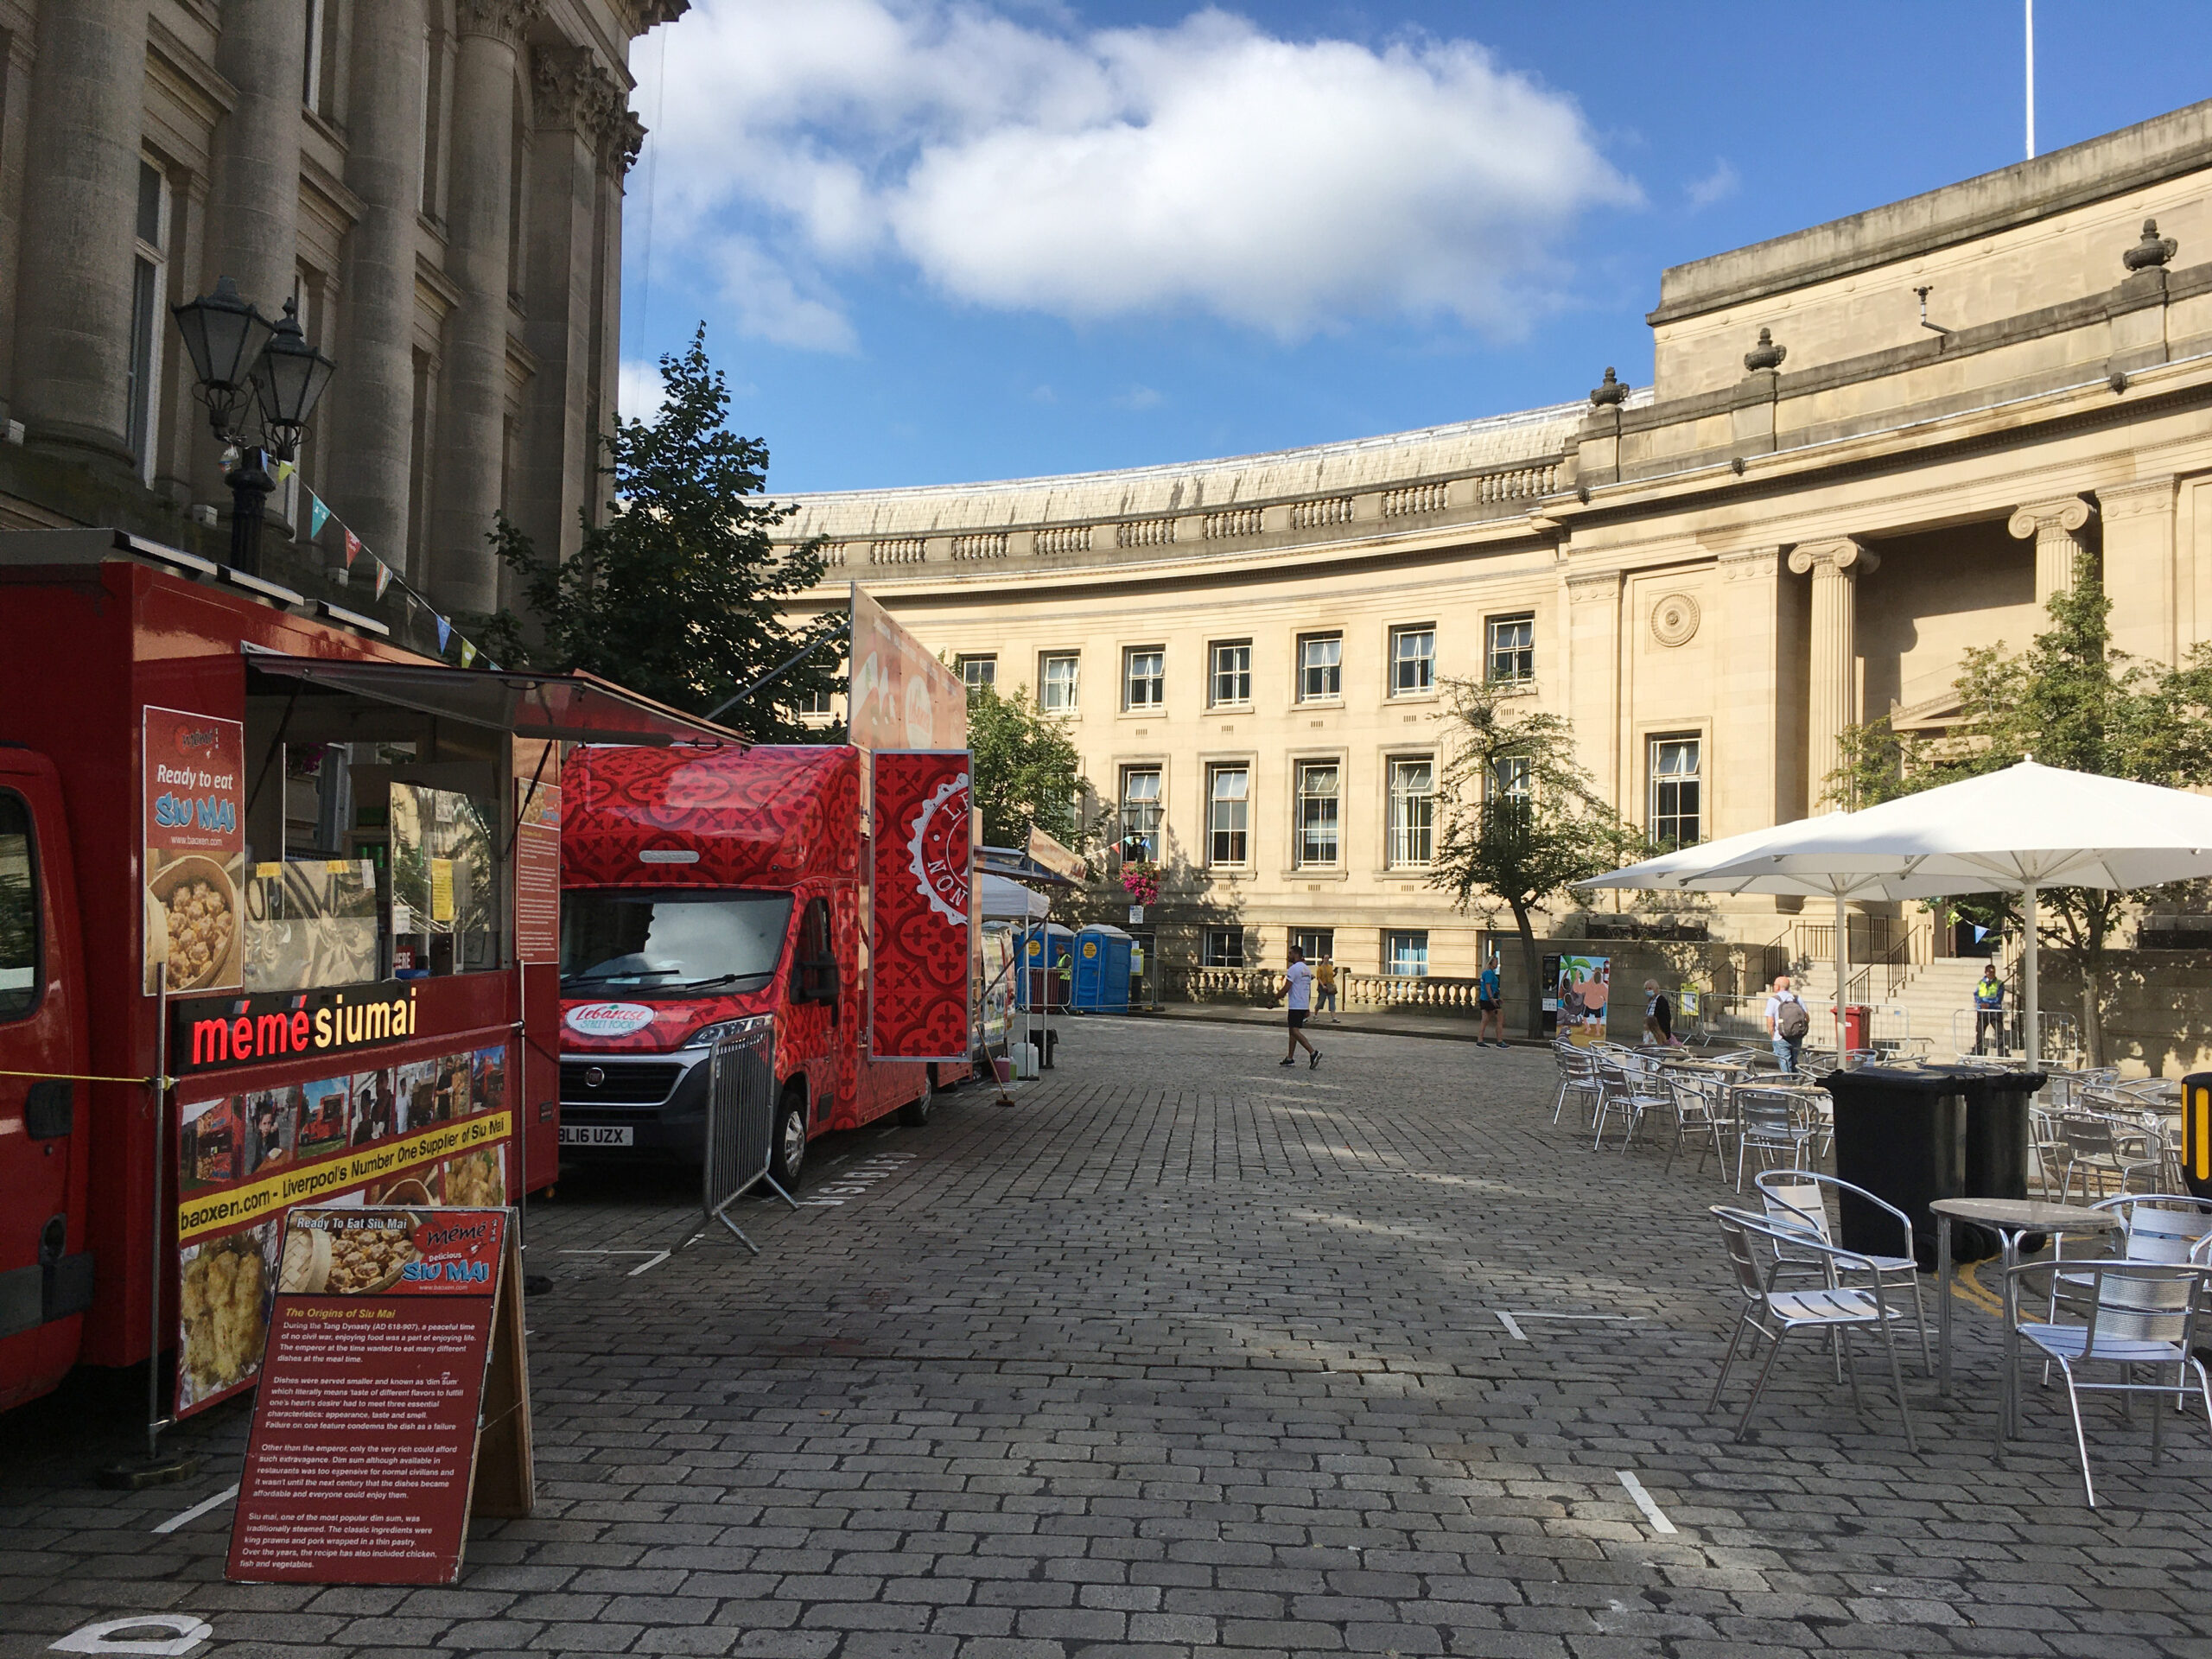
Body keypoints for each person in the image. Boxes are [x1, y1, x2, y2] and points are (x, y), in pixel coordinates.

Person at [1280, 946, 1322, 1069]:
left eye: (1290, 953)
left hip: (1295, 1004)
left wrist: (1274, 999)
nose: (1288, 955)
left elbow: (1286, 987)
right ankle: (1290, 1058)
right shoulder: (1306, 969)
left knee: (1294, 1031)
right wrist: (1307, 1007)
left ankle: (1313, 1053)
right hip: (1302, 1004)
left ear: (1296, 954)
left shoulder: (1293, 969)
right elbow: (1307, 989)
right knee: (1292, 1031)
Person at [1764, 974, 1809, 1072]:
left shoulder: (1773, 1000)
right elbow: (1806, 1017)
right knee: (1794, 1062)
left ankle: (1788, 1081)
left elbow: (1770, 1022)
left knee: (1785, 1064)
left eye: (1774, 985)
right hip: (1797, 1036)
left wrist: (1773, 1037)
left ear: (1778, 987)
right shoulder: (1797, 999)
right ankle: (1797, 1079)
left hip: (1781, 1037)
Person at [1973, 963, 2006, 1054]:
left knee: (1999, 1031)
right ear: (1985, 972)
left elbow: (1999, 997)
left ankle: (2001, 1051)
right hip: (1982, 1011)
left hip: (1994, 1011)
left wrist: (1989, 1004)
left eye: (1993, 972)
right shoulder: (1981, 983)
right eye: (1989, 972)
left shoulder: (1999, 983)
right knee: (1980, 1031)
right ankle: (1979, 1050)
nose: (1991, 974)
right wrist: (1981, 1003)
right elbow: (1976, 995)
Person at [1476, 956, 1505, 1046]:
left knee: (1485, 1020)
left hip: (1484, 998)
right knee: (1500, 1018)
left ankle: (1480, 1040)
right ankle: (1499, 1040)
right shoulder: (1489, 973)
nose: (1497, 964)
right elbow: (1488, 986)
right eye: (1496, 962)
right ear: (1491, 963)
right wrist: (1492, 998)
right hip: (1490, 999)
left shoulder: (1486, 972)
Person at [1643, 979, 1679, 1047]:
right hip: (1651, 1030)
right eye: (1646, 989)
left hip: (1658, 1032)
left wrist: (1664, 1034)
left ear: (1656, 989)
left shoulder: (1661, 1000)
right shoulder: (1651, 1001)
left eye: (1650, 988)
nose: (1647, 990)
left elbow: (1665, 1018)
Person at [1315, 954, 1338, 1020]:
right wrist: (1323, 985)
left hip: (1330, 986)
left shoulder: (1330, 967)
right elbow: (1318, 978)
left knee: (1332, 1001)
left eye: (1328, 958)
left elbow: (1331, 977)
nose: (1327, 959)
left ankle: (1334, 1017)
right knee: (1321, 1001)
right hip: (1323, 986)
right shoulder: (1320, 968)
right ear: (1323, 959)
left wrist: (1335, 973)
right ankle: (1315, 1014)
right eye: (1325, 958)